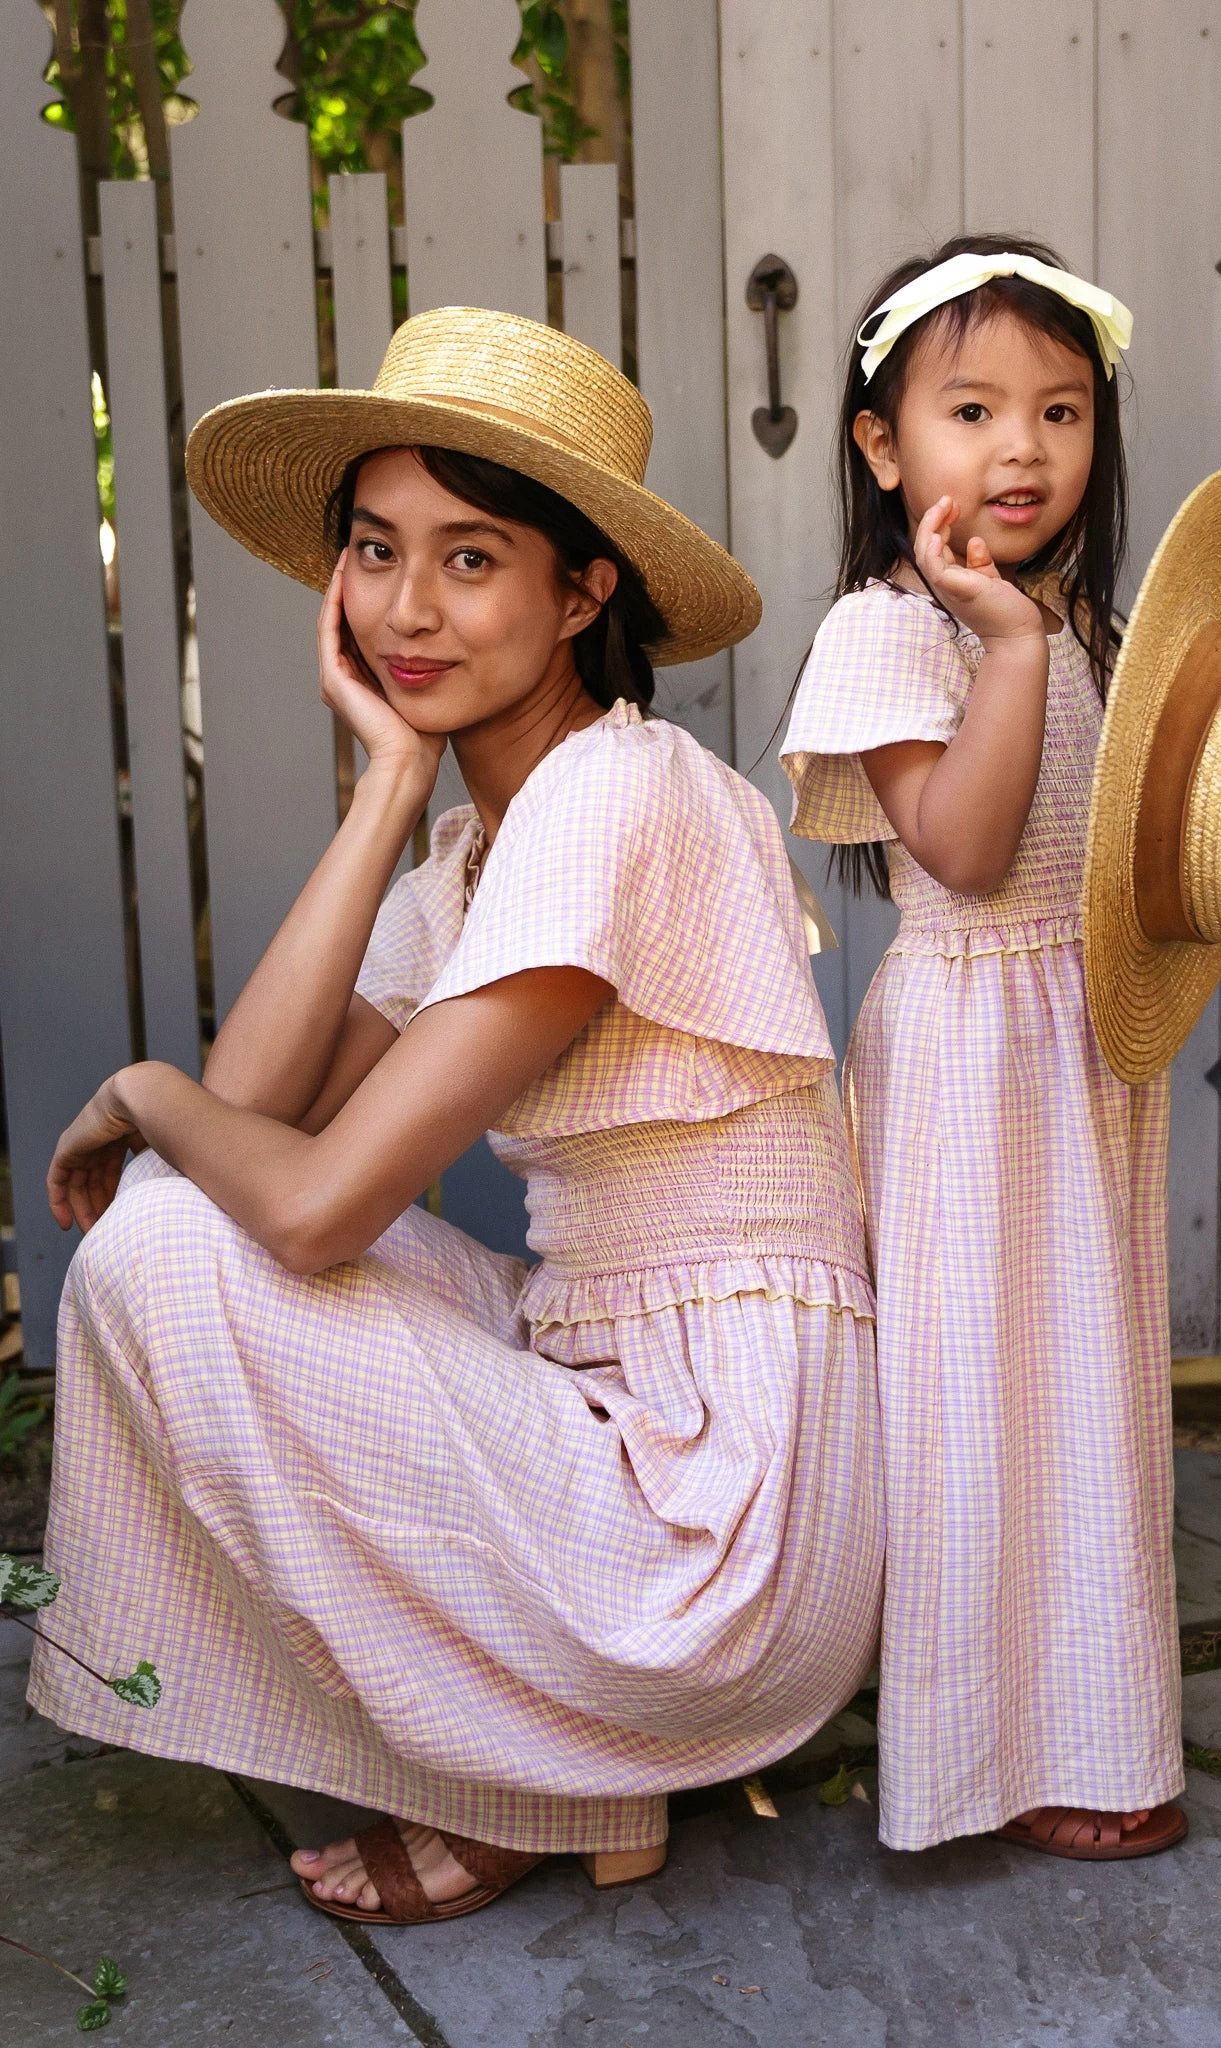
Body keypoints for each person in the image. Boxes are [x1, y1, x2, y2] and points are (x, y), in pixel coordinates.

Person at [32, 307, 882, 1925]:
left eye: (472, 559)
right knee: (172, 1223)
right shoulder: (485, 852)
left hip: (726, 1535)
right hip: (628, 1419)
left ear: (584, 591)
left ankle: (511, 1775)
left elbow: (313, 1201)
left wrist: (138, 1093)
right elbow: (258, 1117)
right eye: (374, 550)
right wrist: (384, 792)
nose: (407, 608)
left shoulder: (619, 796)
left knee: (178, 1238)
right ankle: (566, 1778)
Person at [780, 234, 1221, 1861]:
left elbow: (1210, 788)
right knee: (974, 1396)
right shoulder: (893, 630)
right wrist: (1002, 643)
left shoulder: (1087, 622)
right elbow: (956, 842)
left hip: (1082, 1045)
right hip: (963, 1059)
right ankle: (980, 1755)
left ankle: (1096, 1728)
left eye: (1064, 411)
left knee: (1085, 1386)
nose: (1024, 449)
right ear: (884, 444)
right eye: (973, 409)